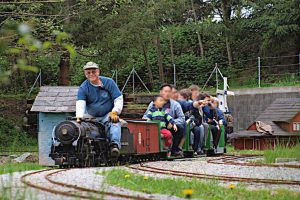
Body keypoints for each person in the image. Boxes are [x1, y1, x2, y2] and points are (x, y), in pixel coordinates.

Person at [75, 61, 123, 158]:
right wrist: (79, 116)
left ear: (98, 72)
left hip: (107, 114)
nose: (91, 74)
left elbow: (118, 99)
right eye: (88, 72)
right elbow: (80, 103)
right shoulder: (83, 88)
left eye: (93, 71)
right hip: (91, 117)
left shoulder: (109, 82)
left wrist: (115, 112)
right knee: (83, 129)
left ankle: (114, 145)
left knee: (115, 122)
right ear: (85, 74)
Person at [143, 84, 185, 157]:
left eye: (169, 91)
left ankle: (174, 150)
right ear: (161, 92)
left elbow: (182, 118)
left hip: (169, 127)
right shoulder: (153, 104)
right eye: (165, 91)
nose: (167, 93)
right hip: (156, 126)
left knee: (180, 127)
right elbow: (146, 116)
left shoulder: (175, 104)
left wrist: (172, 122)